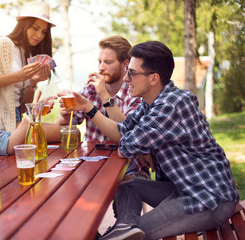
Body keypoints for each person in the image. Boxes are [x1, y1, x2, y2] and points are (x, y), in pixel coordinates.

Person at [66, 41, 239, 240]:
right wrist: (89, 108)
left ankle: (118, 233)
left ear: (154, 78)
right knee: (126, 184)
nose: (126, 79)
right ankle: (125, 225)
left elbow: (127, 145)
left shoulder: (172, 104)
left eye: (131, 73)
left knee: (132, 237)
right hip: (182, 190)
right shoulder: (151, 104)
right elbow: (123, 131)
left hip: (206, 198)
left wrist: (137, 147)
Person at [56, 36, 146, 177]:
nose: (101, 67)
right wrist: (65, 115)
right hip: (91, 163)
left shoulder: (135, 93)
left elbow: (129, 133)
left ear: (125, 64)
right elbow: (64, 125)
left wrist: (105, 96)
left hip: (127, 167)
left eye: (108, 62)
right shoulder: (90, 89)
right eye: (99, 62)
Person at [0, 1, 56, 133]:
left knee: (66, 131)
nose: (39, 35)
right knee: (63, 132)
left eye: (44, 31)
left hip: (17, 120)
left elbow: (22, 109)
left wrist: (33, 83)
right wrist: (18, 76)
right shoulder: (4, 43)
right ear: (24, 25)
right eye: (35, 28)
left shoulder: (28, 54)